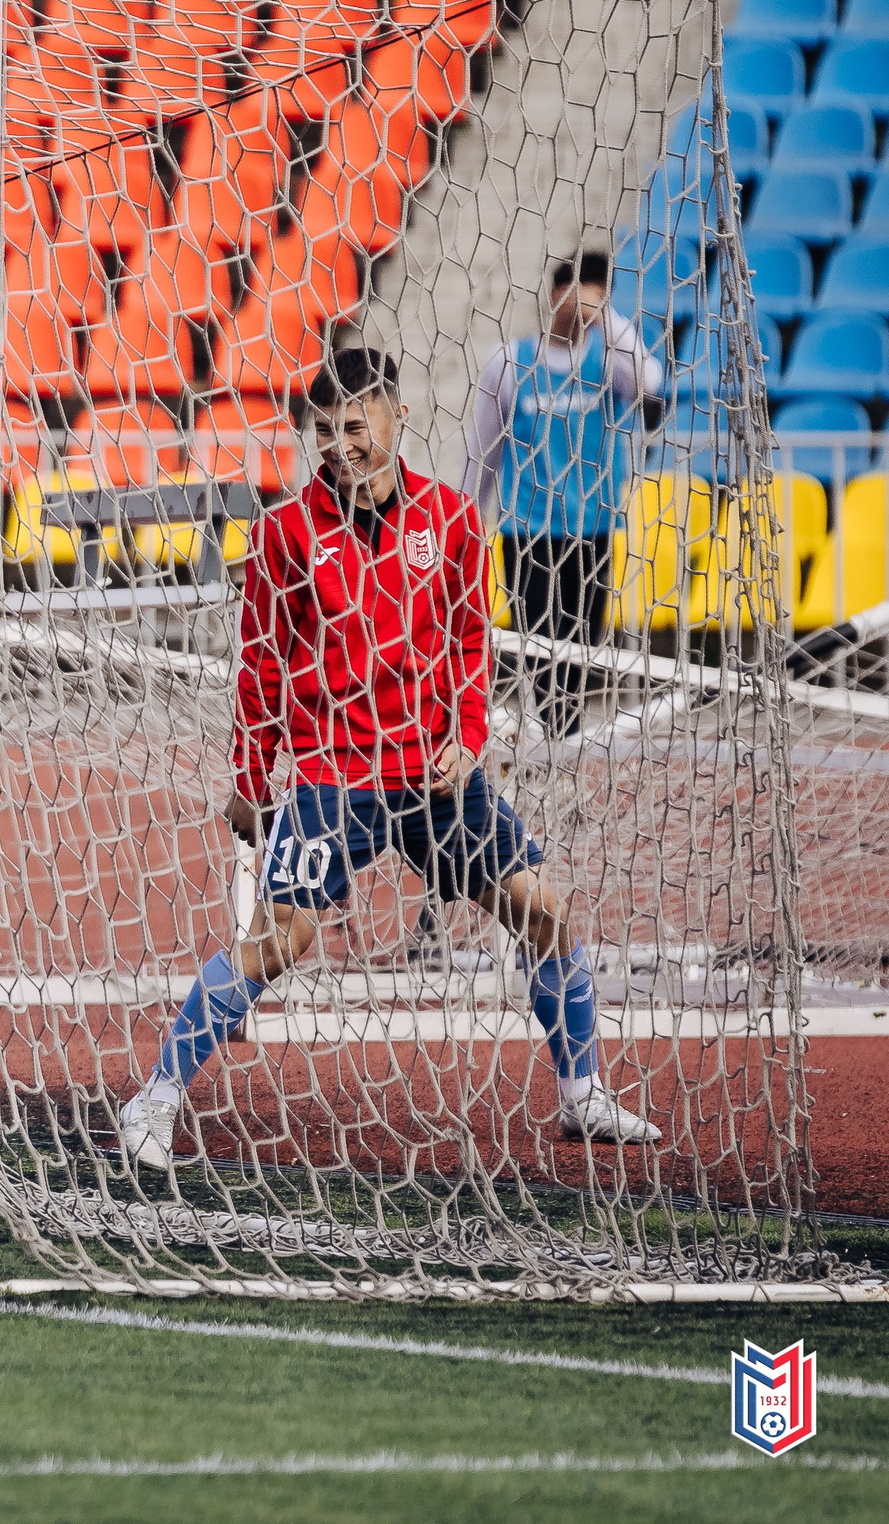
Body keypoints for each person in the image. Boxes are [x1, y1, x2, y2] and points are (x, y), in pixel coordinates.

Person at [116, 348, 660, 1174]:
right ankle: (153, 1098)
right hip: (334, 776)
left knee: (542, 907)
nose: (340, 445)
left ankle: (582, 1092)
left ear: (395, 415)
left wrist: (469, 738)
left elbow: (473, 642)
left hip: (436, 779)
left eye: (355, 425)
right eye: (325, 430)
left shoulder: (449, 519)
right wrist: (250, 779)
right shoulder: (284, 532)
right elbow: (262, 661)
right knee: (274, 942)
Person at [462, 250, 666, 738]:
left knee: (580, 649)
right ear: (556, 296)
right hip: (527, 530)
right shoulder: (511, 363)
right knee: (538, 645)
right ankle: (554, 739)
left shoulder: (610, 360)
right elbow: (482, 451)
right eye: (579, 293)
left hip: (590, 529)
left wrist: (608, 319)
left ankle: (562, 744)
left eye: (600, 295)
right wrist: (466, 520)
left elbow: (651, 383)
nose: (587, 306)